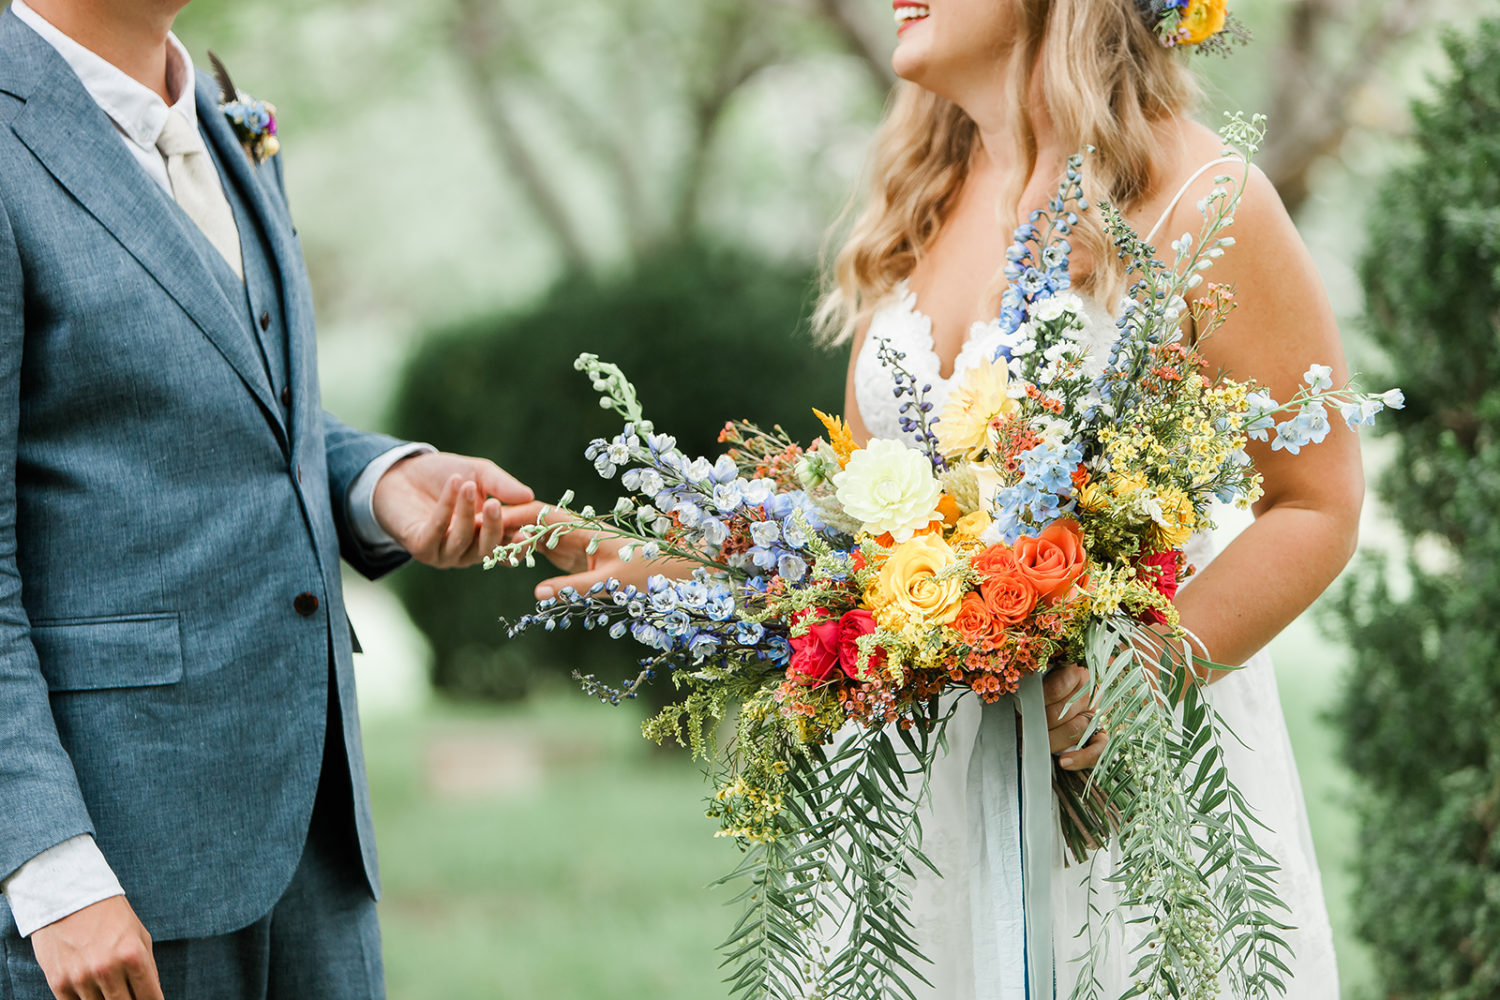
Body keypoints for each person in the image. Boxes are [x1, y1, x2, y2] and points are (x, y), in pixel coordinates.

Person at [537, 0, 1358, 995]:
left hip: (1124, 795)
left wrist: (1143, 669)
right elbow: (857, 509)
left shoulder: (1197, 195)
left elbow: (1318, 500)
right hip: (917, 789)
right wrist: (682, 558)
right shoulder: (921, 202)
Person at [0, 1, 536, 997]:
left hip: (317, 848)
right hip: (106, 879)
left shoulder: (224, 116)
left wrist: (381, 485)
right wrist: (49, 865)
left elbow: (242, 417)